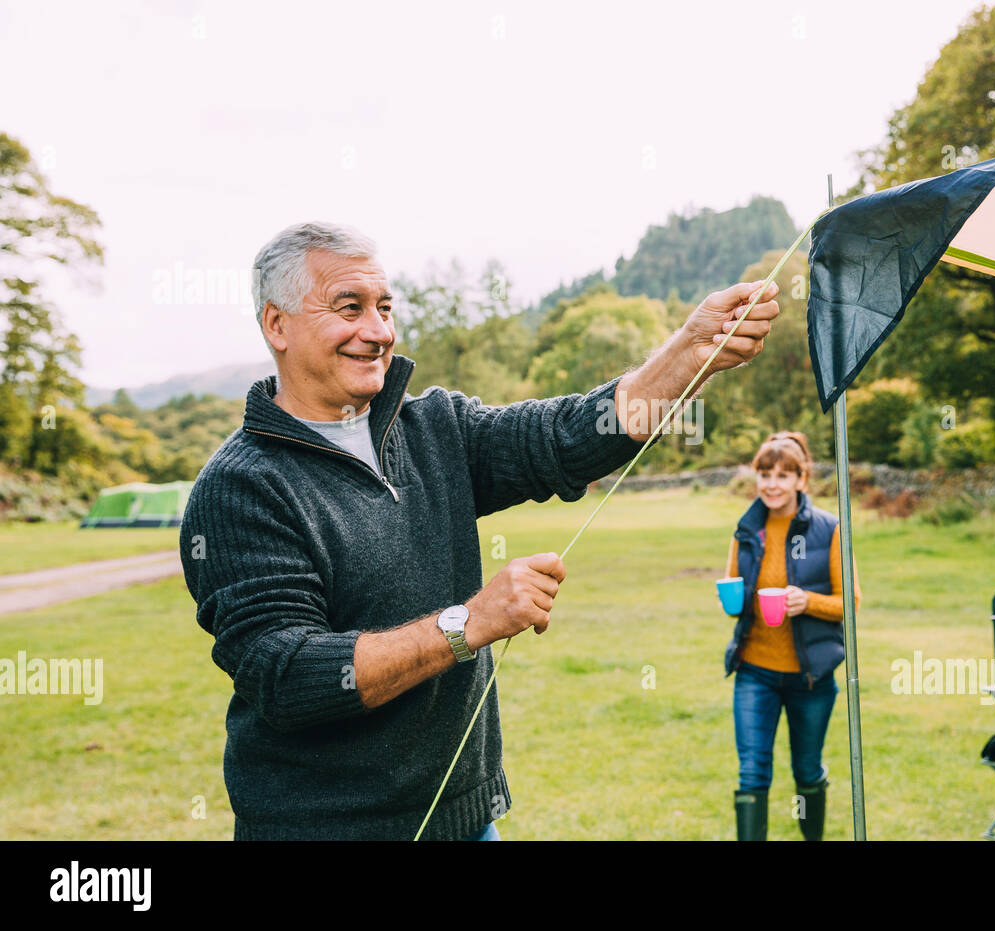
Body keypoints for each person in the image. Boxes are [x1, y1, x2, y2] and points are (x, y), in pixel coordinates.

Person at [179, 221, 779, 840]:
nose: (379, 331)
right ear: (277, 325)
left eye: (384, 308)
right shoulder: (242, 487)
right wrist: (468, 624)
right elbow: (288, 676)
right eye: (349, 308)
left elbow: (566, 436)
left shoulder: (433, 428)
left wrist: (688, 351)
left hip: (465, 821)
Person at [722, 431, 860, 841]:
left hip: (811, 677)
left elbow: (849, 603)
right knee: (752, 772)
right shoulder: (746, 529)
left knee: (807, 769)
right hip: (755, 673)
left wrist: (807, 602)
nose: (772, 484)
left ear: (802, 479)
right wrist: (732, 600)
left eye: (783, 475)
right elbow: (732, 589)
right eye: (765, 474)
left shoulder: (830, 529)